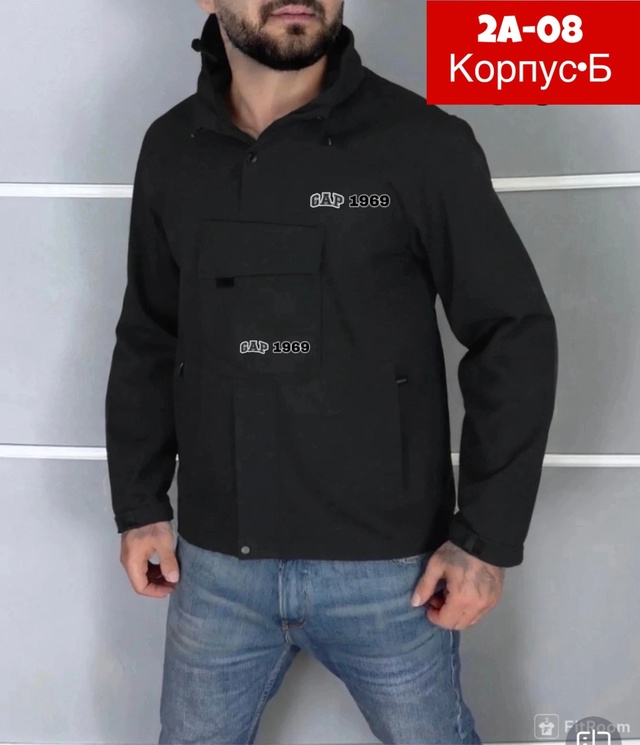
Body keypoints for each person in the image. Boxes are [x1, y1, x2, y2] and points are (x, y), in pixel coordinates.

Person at [104, 1, 559, 743]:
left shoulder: (422, 143)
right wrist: (139, 501)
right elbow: (150, 333)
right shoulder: (171, 149)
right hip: (215, 572)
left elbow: (514, 332)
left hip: (392, 576)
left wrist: (485, 538)